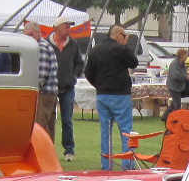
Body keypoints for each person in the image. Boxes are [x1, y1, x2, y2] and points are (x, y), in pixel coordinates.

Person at [84, 24, 138, 169]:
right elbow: (134, 62)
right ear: (118, 34)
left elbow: (88, 72)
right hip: (120, 95)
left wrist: (99, 85)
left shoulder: (96, 50)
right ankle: (127, 164)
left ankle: (106, 165)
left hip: (103, 95)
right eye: (124, 35)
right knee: (126, 130)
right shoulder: (120, 49)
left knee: (105, 131)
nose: (125, 38)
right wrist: (125, 46)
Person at [52, 21, 84, 160]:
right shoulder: (47, 43)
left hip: (68, 87)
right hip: (50, 87)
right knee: (48, 120)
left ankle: (69, 150)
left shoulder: (73, 44)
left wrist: (73, 76)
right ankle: (48, 150)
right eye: (66, 26)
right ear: (57, 28)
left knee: (67, 120)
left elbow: (79, 63)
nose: (69, 29)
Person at [23, 20, 59, 142]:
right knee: (49, 126)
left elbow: (41, 74)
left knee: (41, 126)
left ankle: (43, 151)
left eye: (31, 34)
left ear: (39, 33)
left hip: (44, 93)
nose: (28, 38)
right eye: (26, 35)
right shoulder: (45, 45)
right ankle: (50, 151)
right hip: (50, 92)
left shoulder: (40, 47)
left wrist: (33, 91)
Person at [165, 47, 189, 112]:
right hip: (173, 86)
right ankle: (175, 116)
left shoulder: (182, 63)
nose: (187, 57)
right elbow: (175, 75)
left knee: (175, 103)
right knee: (177, 104)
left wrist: (188, 75)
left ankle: (169, 114)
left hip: (178, 86)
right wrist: (186, 77)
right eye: (186, 55)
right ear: (181, 55)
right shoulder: (174, 63)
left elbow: (184, 72)